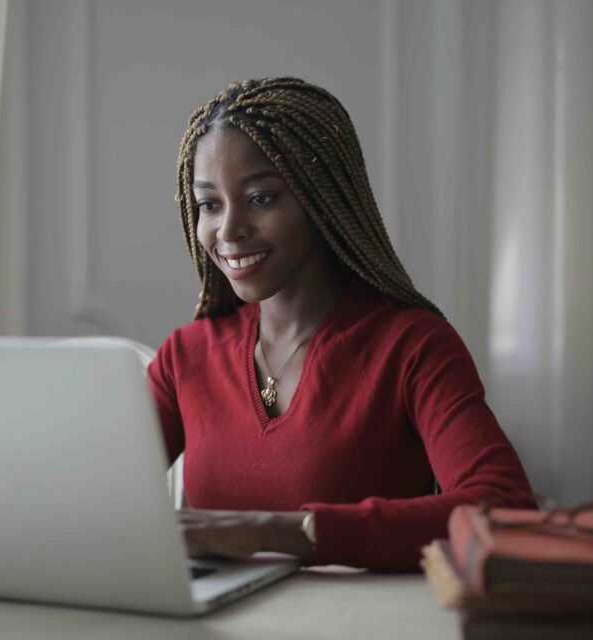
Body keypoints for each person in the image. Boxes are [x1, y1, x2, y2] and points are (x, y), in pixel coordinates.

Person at [146, 77, 533, 572]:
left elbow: (506, 508)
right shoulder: (186, 356)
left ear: (321, 197)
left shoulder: (412, 346)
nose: (227, 230)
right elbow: (93, 500)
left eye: (261, 198)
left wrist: (278, 531)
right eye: (209, 204)